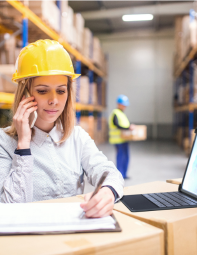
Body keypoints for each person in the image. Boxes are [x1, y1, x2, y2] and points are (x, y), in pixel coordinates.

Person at [0, 39, 124, 218]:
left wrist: (108, 191)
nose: (54, 100)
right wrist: (23, 145)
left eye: (61, 91)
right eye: (43, 91)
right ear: (25, 94)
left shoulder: (77, 137)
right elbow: (11, 208)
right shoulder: (4, 143)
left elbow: (108, 172)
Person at [109, 95, 135, 179]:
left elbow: (125, 125)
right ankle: (120, 175)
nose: (125, 106)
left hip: (124, 139)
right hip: (118, 140)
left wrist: (130, 127)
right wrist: (128, 128)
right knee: (120, 157)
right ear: (118, 104)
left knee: (126, 156)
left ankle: (124, 174)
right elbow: (117, 125)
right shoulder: (115, 113)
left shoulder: (122, 114)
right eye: (123, 104)